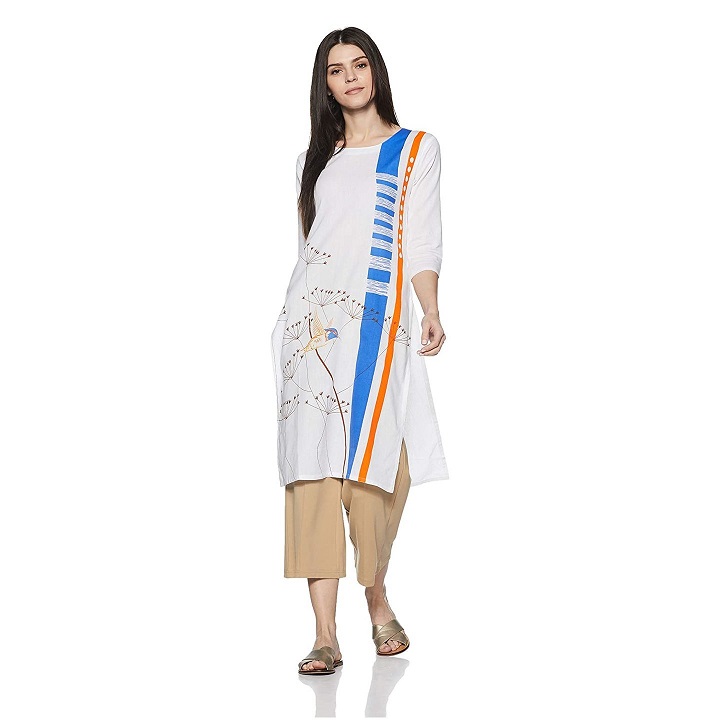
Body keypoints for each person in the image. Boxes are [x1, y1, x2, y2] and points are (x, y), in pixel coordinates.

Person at [270, 26, 449, 675]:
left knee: (377, 473)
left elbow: (421, 240)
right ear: (325, 84)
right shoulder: (311, 161)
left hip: (378, 328)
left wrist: (431, 308)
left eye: (360, 64)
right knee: (313, 476)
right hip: (311, 334)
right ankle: (325, 634)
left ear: (376, 71)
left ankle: (376, 595)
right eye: (336, 69)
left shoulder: (414, 149)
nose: (350, 77)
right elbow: (309, 251)